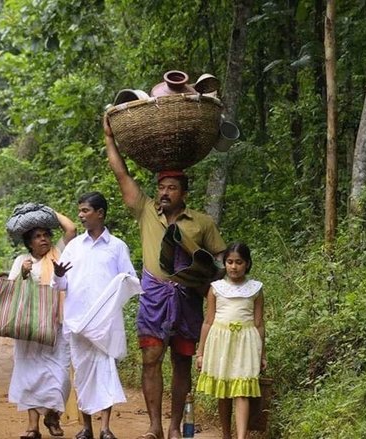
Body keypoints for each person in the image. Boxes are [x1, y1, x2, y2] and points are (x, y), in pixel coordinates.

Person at [104, 117, 227, 439]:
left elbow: (221, 260)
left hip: (187, 298)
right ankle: (154, 426)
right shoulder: (145, 210)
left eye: (171, 187)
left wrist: (209, 277)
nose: (164, 192)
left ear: (184, 192)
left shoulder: (201, 223)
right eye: (161, 187)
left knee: (182, 362)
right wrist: (109, 137)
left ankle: (174, 427)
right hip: (154, 296)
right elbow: (121, 174)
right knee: (150, 358)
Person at [53, 192, 137, 439]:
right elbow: (60, 285)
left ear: (100, 213)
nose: (80, 216)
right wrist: (58, 274)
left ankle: (105, 428)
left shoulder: (117, 247)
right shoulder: (73, 247)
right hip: (78, 320)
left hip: (105, 322)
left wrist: (112, 298)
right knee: (82, 372)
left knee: (105, 370)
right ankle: (86, 426)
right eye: (79, 211)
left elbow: (130, 280)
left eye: (85, 211)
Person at [7, 208, 77, 439]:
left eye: (45, 234)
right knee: (29, 374)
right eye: (37, 236)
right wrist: (24, 274)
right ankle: (32, 427)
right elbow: (11, 294)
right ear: (29, 242)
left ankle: (53, 415)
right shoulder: (21, 261)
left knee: (60, 374)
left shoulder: (58, 254)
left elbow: (71, 228)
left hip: (56, 325)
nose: (44, 239)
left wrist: (46, 211)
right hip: (29, 328)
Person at [196, 243, 266, 439]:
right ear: (224, 263)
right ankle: (226, 434)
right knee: (224, 389)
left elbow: (259, 324)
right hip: (220, 342)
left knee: (241, 389)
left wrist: (262, 354)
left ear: (247, 264)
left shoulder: (255, 289)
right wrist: (200, 352)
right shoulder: (216, 288)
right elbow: (208, 321)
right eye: (229, 262)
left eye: (239, 262)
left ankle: (241, 436)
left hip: (247, 343)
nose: (234, 267)